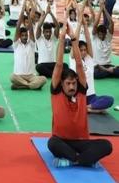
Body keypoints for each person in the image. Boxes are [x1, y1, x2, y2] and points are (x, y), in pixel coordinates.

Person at [47, 22, 112, 167]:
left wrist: (74, 40)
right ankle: (84, 160)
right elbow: (58, 65)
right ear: (62, 84)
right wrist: (63, 38)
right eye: (68, 84)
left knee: (107, 145)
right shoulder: (56, 92)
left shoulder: (81, 92)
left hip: (81, 141)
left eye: (74, 83)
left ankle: (74, 160)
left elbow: (78, 64)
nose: (71, 86)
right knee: (52, 143)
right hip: (62, 140)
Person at [69, 8, 114, 113]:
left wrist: (85, 25)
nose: (84, 52)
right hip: (79, 96)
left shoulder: (89, 59)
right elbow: (74, 40)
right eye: (81, 50)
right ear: (77, 51)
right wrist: (80, 23)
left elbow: (88, 40)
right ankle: (93, 109)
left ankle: (87, 108)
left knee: (110, 100)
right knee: (102, 109)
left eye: (85, 50)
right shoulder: (73, 59)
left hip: (91, 96)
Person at [10, 13, 47, 90]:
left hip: (31, 76)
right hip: (19, 76)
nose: (25, 37)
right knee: (12, 77)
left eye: (26, 35)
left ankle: (23, 86)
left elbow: (31, 29)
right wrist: (23, 9)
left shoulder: (31, 44)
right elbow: (17, 28)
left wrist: (27, 12)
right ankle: (30, 85)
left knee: (44, 79)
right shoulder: (16, 45)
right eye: (22, 35)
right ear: (19, 36)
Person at [92, 1, 119, 79]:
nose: (101, 36)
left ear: (105, 33)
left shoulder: (108, 38)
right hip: (98, 66)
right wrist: (100, 10)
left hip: (108, 64)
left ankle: (109, 71)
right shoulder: (95, 38)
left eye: (103, 34)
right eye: (100, 34)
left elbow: (112, 23)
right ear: (97, 33)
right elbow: (95, 25)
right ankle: (110, 71)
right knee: (95, 74)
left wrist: (104, 9)